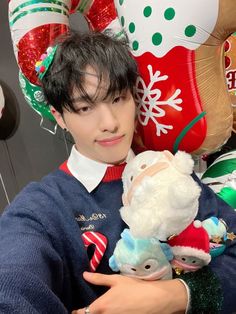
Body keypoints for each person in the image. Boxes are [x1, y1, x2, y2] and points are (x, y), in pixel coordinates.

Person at [0, 31, 235, 314]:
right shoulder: (43, 206)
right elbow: (13, 280)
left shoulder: (170, 172)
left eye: (118, 99)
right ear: (60, 116)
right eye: (85, 107)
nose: (110, 123)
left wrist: (175, 296)